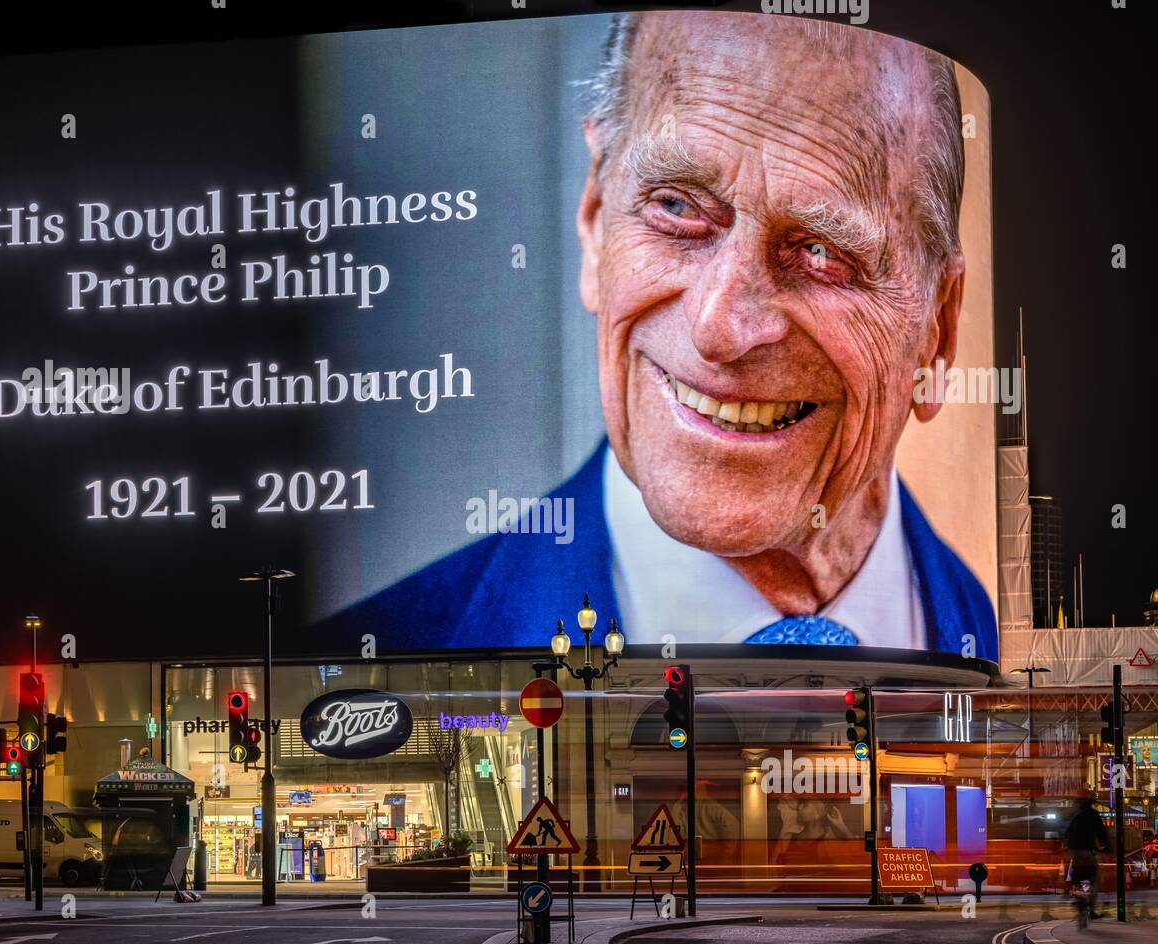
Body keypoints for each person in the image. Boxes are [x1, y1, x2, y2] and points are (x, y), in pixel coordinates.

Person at [315, 11, 996, 659]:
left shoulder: (1014, 648)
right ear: (594, 220)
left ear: (936, 333)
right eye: (675, 206)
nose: (718, 326)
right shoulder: (368, 656)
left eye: (821, 251)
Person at [1064, 796, 1109, 926]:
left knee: (1077, 876)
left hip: (1074, 852)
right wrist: (1106, 848)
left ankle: (1078, 897)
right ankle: (1091, 910)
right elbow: (1101, 832)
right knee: (1094, 879)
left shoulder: (1076, 816)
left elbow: (1067, 833)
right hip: (1087, 851)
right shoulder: (1093, 815)